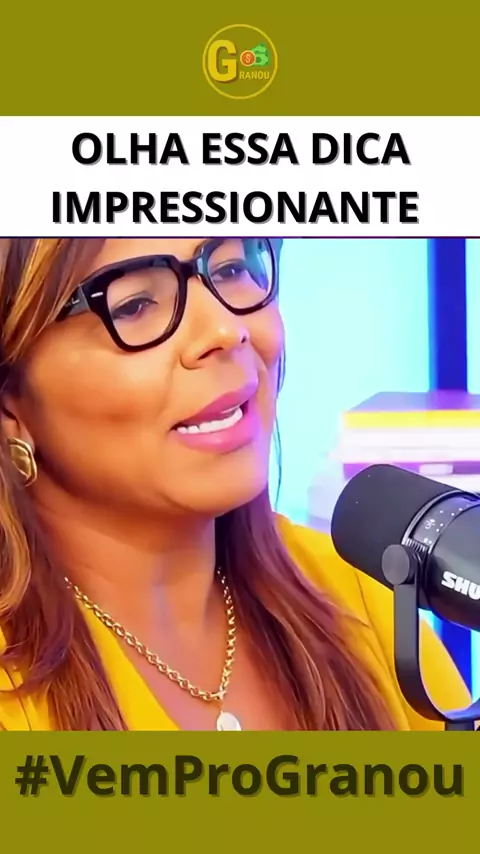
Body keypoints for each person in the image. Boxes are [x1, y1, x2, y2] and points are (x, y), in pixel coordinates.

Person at [0, 236, 470, 732]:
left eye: (230, 269)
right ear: (11, 405)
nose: (226, 329)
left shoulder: (361, 595)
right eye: (135, 304)